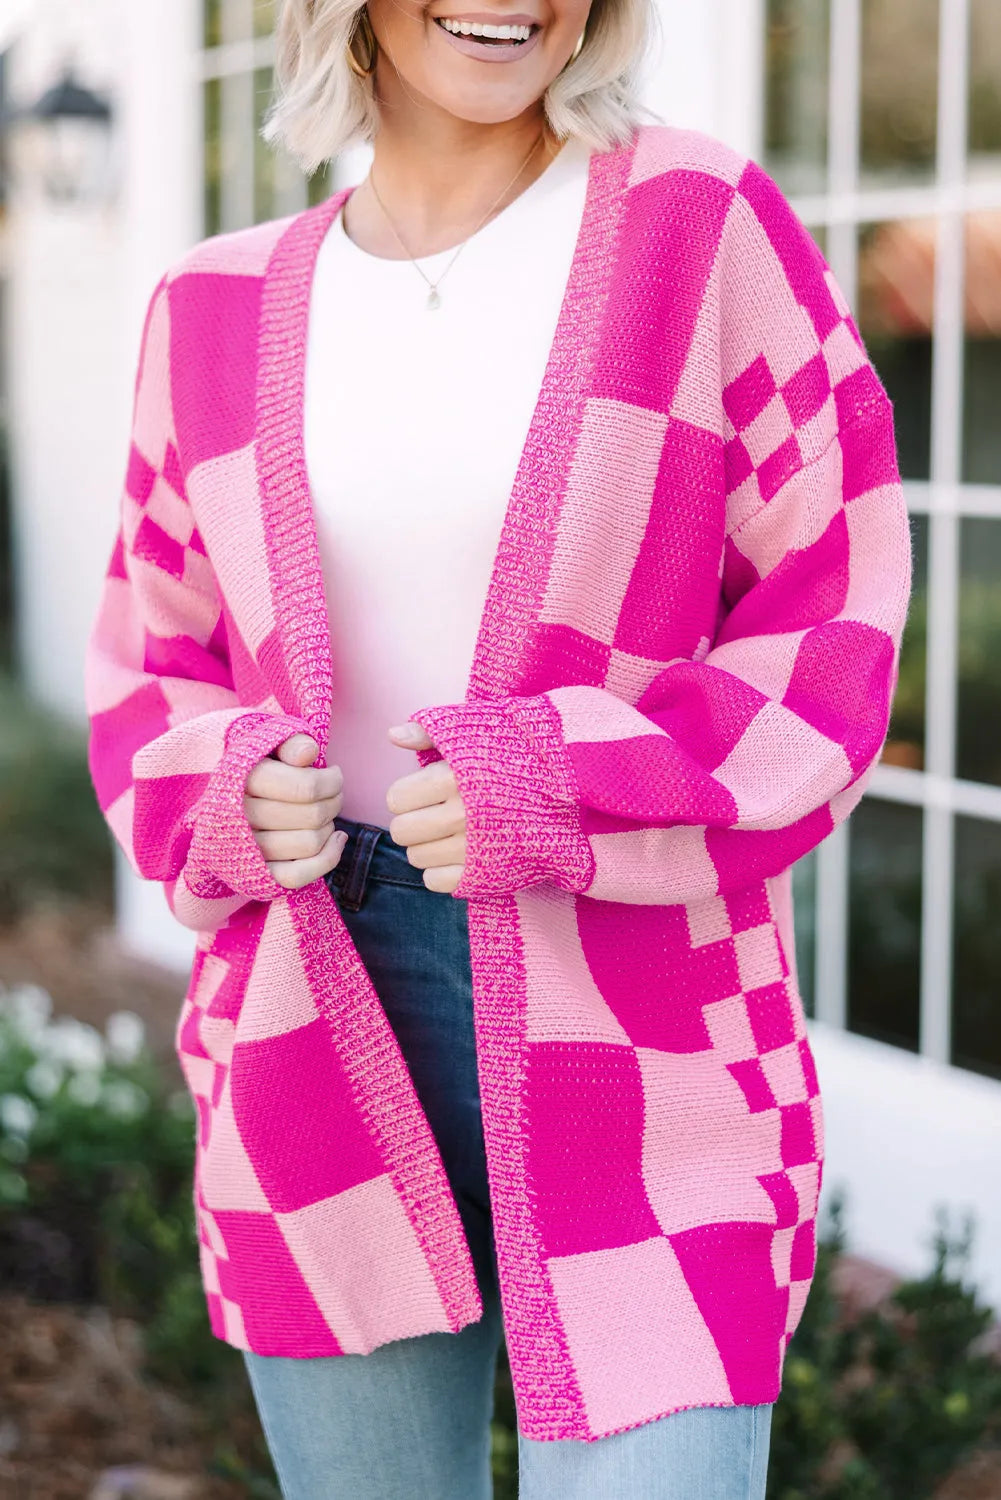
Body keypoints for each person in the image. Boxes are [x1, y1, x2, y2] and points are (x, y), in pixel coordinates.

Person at [84, 0, 912, 1493]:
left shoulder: (699, 229)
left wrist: (564, 785)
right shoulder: (206, 306)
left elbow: (827, 621)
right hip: (306, 1011)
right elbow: (157, 656)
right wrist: (226, 794)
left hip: (653, 1017)